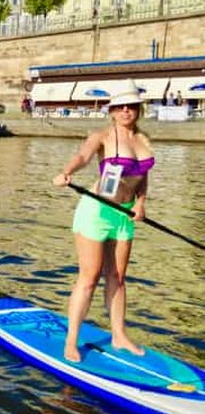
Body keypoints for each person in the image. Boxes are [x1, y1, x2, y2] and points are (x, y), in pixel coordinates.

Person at [52, 79, 153, 363]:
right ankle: (71, 341)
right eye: (119, 106)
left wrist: (142, 204)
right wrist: (66, 172)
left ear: (138, 108)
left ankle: (119, 336)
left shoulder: (143, 141)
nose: (125, 111)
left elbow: (143, 178)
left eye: (130, 106)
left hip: (125, 215)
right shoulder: (103, 136)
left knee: (118, 277)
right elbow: (82, 156)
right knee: (89, 277)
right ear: (111, 110)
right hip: (97, 211)